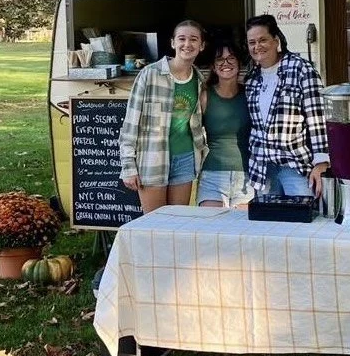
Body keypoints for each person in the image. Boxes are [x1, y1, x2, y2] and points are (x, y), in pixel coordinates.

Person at [119, 19, 207, 213]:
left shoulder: (199, 79)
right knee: (155, 223)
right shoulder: (149, 75)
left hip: (185, 158)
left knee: (177, 222)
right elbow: (131, 123)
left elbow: (196, 123)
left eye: (193, 39)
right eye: (182, 39)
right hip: (152, 158)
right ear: (173, 43)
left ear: (201, 45)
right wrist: (128, 166)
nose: (187, 44)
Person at [244, 13, 329, 198]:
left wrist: (321, 162)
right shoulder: (251, 79)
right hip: (262, 168)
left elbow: (318, 117)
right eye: (252, 42)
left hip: (294, 166)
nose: (257, 46)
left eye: (262, 40)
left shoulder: (301, 69)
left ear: (276, 40)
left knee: (302, 223)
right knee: (267, 225)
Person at [197, 37, 253, 208]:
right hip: (212, 175)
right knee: (210, 229)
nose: (225, 63)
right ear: (213, 66)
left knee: (243, 233)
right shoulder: (205, 95)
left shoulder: (250, 95)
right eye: (220, 59)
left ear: (239, 63)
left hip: (246, 177)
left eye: (231, 58)